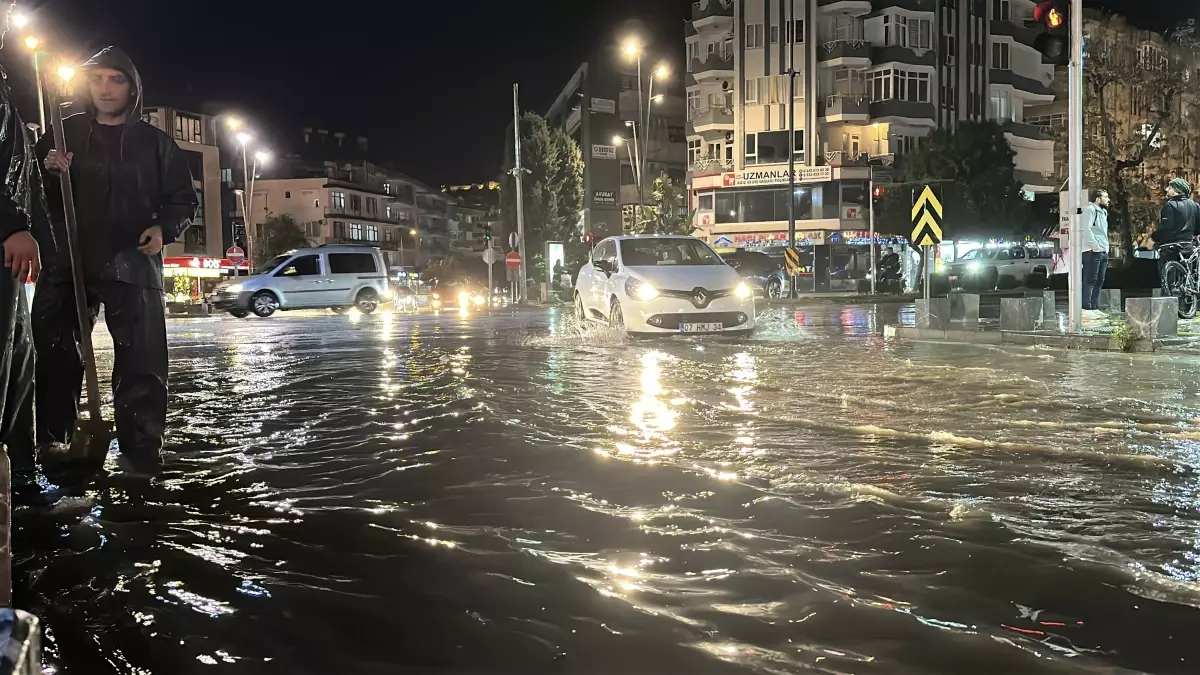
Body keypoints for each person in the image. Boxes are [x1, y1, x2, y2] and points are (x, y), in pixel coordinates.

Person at [33, 46, 197, 467]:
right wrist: (50, 172)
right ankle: (54, 443)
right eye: (97, 79)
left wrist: (163, 229)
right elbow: (32, 196)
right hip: (66, 263)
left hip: (133, 262)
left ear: (132, 88)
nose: (105, 89)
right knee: (55, 355)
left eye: (116, 79)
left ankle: (141, 451)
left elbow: (182, 200)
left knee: (142, 360)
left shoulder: (156, 145)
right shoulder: (60, 135)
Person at [1148, 178, 1200, 286]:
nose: (1167, 189)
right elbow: (1197, 229)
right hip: (1188, 246)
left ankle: (1169, 299)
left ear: (1177, 190)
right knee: (1187, 277)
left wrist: (1153, 239)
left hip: (1171, 247)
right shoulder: (1195, 206)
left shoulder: (1170, 205)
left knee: (1168, 280)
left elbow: (1166, 228)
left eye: (1170, 187)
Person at [1081, 189, 1110, 313]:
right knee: (1090, 279)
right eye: (1106, 197)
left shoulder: (1103, 212)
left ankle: (1094, 306)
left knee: (1099, 280)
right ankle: (1086, 307)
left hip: (1102, 250)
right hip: (1092, 250)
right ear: (1098, 199)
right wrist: (1095, 246)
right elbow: (1086, 229)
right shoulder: (1090, 209)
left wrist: (1104, 248)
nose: (1108, 200)